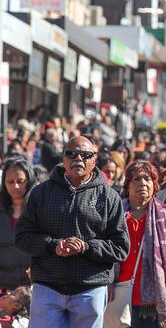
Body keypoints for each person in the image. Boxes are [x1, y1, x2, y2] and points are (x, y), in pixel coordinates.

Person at [15, 136, 130, 328]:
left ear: (95, 160)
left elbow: (120, 247)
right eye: (71, 153)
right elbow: (22, 237)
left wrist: (86, 247)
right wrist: (53, 245)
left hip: (90, 288)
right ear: (63, 158)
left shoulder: (109, 197)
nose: (78, 158)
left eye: (85, 155)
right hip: (47, 286)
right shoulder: (41, 193)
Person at [115, 160, 166, 327]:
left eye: (147, 178)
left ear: (154, 185)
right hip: (119, 296)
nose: (142, 183)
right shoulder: (115, 216)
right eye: (136, 179)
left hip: (153, 303)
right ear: (127, 185)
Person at [0, 158, 35, 291]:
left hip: (35, 287)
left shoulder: (40, 209)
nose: (15, 186)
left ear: (29, 180)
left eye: (20, 181)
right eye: (10, 182)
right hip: (4, 289)